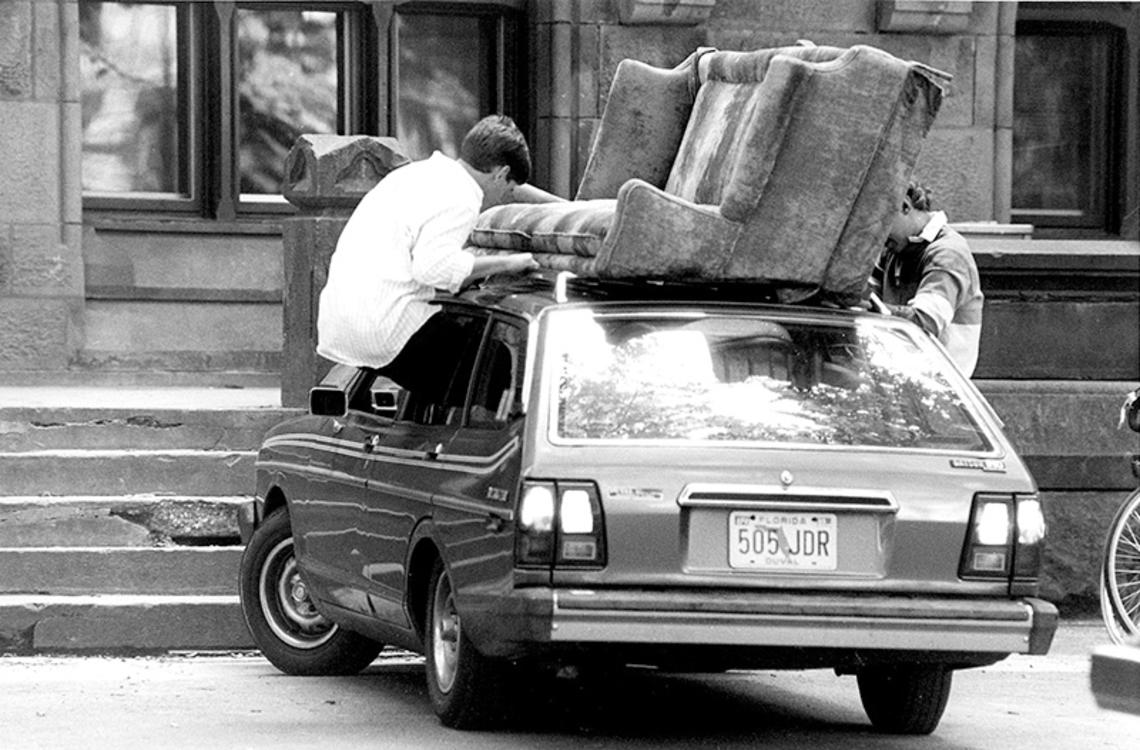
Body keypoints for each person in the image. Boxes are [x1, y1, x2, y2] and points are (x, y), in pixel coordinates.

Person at [316, 115, 560, 398]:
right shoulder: (462, 198)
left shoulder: (421, 174)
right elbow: (433, 270)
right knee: (499, 361)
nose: (507, 197)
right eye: (509, 188)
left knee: (458, 347)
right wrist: (511, 262)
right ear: (501, 173)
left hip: (344, 325)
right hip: (387, 330)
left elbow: (424, 259)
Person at [870, 181, 984, 376]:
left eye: (879, 222)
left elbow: (924, 322)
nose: (876, 235)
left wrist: (866, 304)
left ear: (905, 206)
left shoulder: (948, 253)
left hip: (940, 387)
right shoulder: (897, 250)